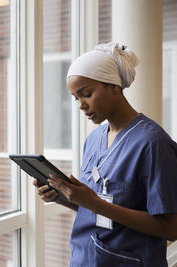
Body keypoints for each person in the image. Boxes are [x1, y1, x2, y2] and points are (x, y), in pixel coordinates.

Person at [33, 42, 177, 267]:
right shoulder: (93, 140)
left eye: (86, 94)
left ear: (113, 86)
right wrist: (66, 198)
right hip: (85, 259)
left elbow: (170, 228)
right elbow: (103, 209)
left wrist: (94, 203)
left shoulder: (152, 143)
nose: (81, 105)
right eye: (75, 98)